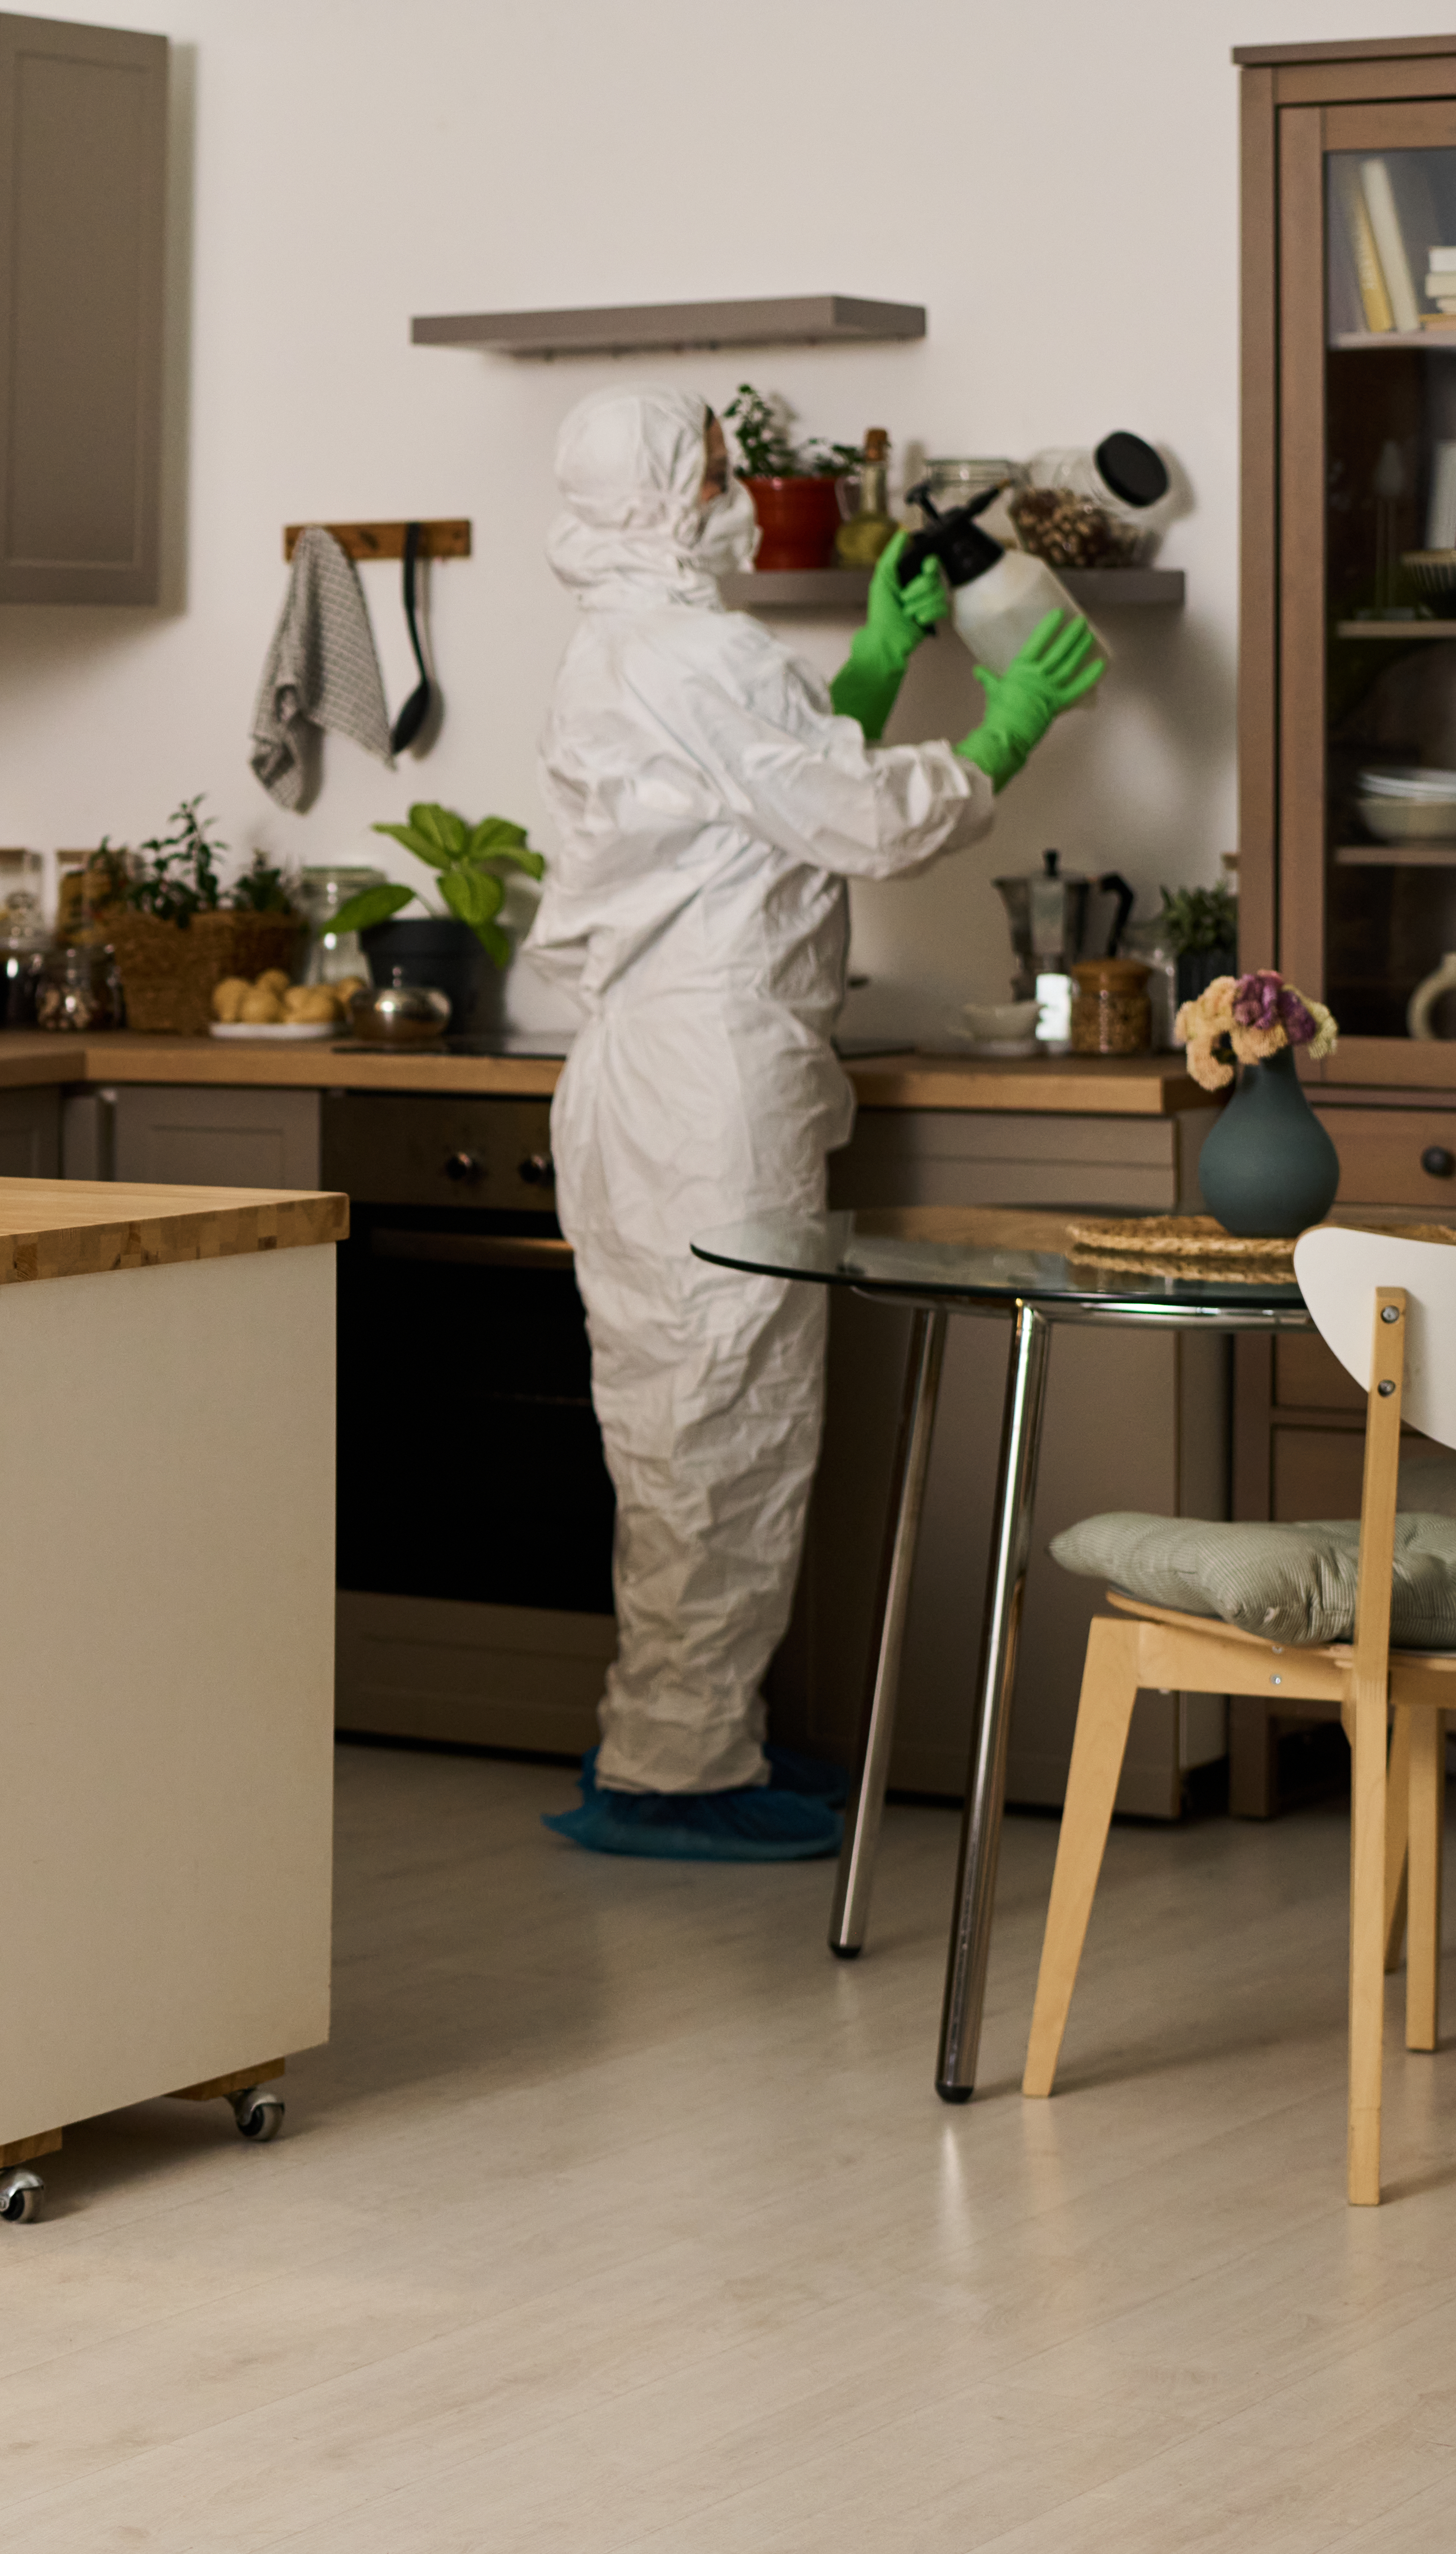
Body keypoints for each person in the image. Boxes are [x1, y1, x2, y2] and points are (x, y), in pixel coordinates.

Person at [527, 386, 1099, 1864]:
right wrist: (1002, 732)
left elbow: (760, 802)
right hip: (705, 1081)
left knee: (685, 1422)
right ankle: (675, 1772)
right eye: (714, 463)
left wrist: (878, 664)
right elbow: (855, 821)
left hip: (651, 1079)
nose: (735, 478)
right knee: (717, 1423)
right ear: (664, 493)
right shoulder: (700, 650)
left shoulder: (632, 644)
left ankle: (685, 1740)